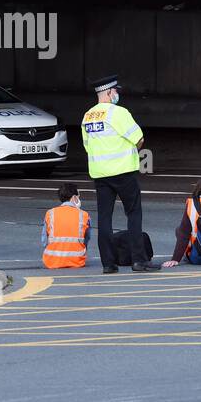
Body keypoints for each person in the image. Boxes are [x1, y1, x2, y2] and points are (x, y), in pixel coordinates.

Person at [81, 75, 161, 273]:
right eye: (116, 91)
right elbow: (139, 138)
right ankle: (139, 260)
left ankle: (108, 264)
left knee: (105, 218)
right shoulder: (118, 113)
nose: (117, 94)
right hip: (123, 171)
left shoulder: (87, 116)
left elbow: (87, 146)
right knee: (133, 214)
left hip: (100, 174)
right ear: (108, 92)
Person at [41, 182, 91, 269]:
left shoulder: (50, 213)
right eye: (78, 196)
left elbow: (44, 241)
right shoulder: (84, 215)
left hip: (52, 261)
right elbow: (86, 239)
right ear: (74, 197)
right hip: (76, 261)